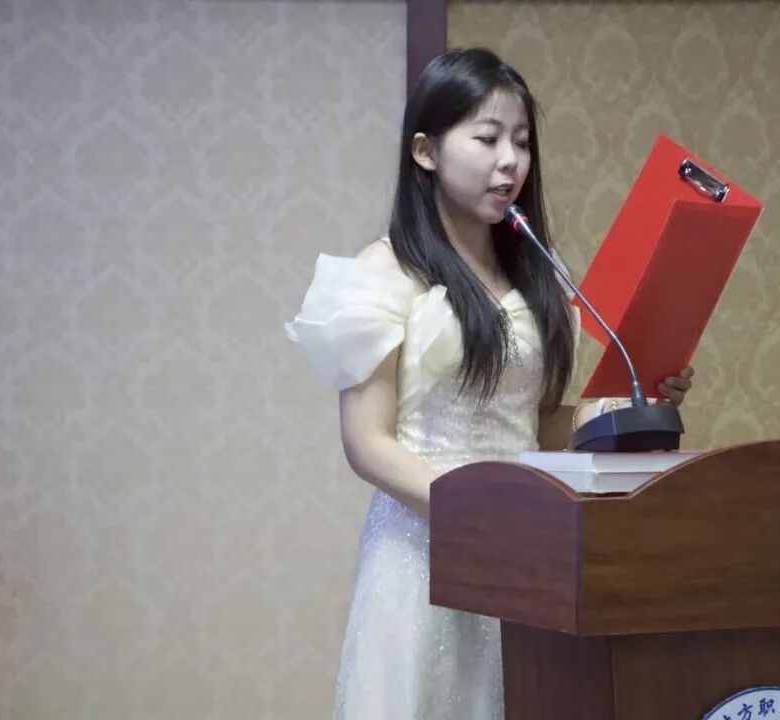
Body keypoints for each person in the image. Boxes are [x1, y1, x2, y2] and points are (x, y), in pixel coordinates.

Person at [285, 47, 694, 720]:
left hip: (526, 556)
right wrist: (479, 514)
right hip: (422, 553)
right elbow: (368, 442)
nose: (511, 162)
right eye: (488, 138)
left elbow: (531, 424)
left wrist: (627, 407)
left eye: (522, 142)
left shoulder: (537, 272)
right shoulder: (382, 271)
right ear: (425, 151)